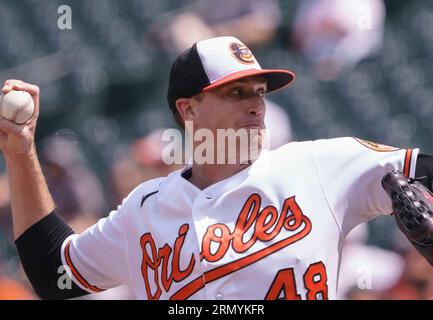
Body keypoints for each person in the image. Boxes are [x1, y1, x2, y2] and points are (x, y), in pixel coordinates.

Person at [2, 36, 433, 300]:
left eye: (260, 91)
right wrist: (21, 151)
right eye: (236, 92)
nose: (256, 104)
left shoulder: (318, 165)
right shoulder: (144, 210)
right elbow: (53, 273)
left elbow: (422, 171)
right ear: (188, 109)